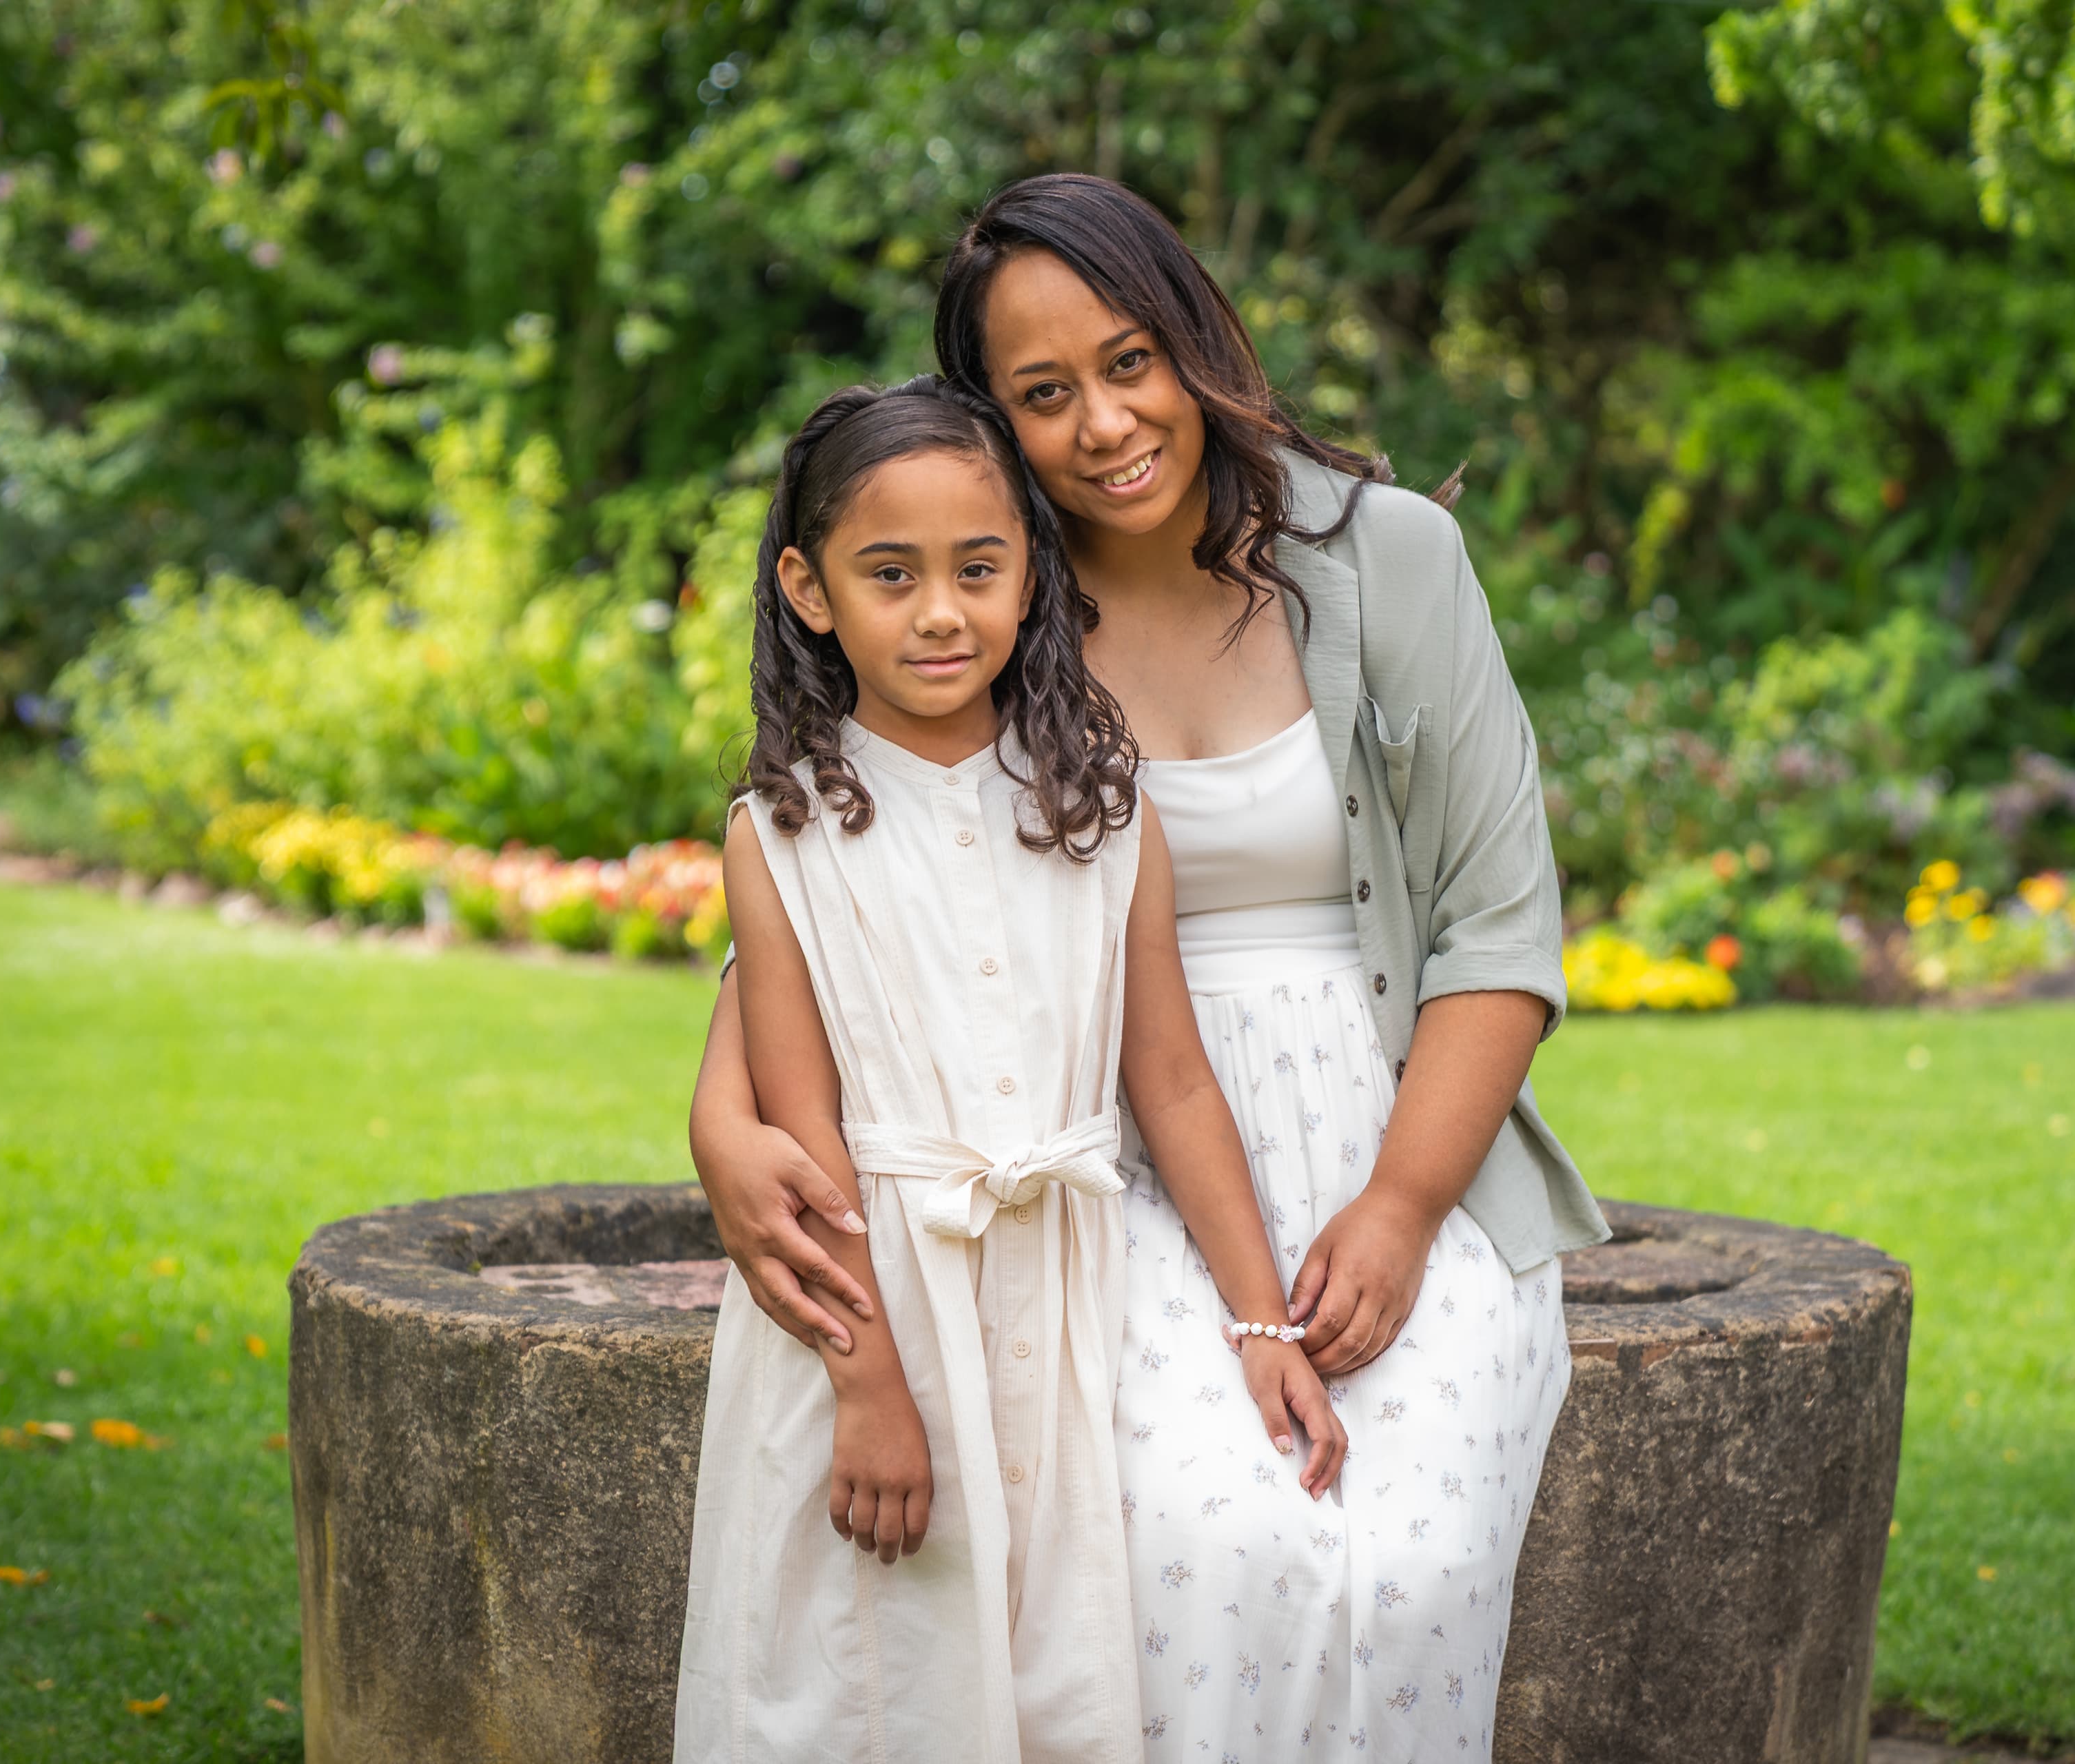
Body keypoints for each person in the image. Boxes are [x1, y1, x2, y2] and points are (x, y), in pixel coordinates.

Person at [692, 174, 1608, 1756]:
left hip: (1402, 1140)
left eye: (1131, 360)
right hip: (1114, 1169)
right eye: (1043, 394)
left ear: (1197, 339)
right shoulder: (991, 602)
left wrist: (1397, 1208)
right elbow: (843, 889)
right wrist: (724, 1124)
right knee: (1212, 1544)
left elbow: (1500, 927)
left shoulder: (1387, 559)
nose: (1106, 421)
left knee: (1413, 1560)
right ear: (990, 420)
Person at [675, 374, 1347, 1764]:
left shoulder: (1104, 810)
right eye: (890, 573)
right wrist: (869, 1388)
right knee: (864, 1680)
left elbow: (1170, 1080)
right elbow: (809, 1143)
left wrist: (1261, 1322)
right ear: (808, 588)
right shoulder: (782, 834)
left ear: (1031, 568)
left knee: (1050, 1685)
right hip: (871, 1332)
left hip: (1056, 1315)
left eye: (979, 567)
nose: (940, 611)